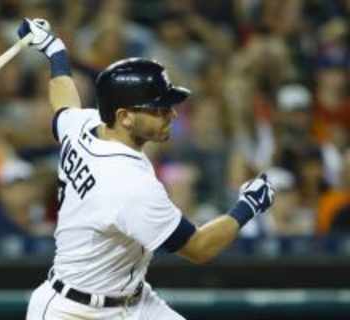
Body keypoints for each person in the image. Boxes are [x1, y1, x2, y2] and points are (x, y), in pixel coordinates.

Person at [17, 18, 275, 320]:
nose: (172, 114)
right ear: (125, 117)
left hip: (133, 300)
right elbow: (200, 248)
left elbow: (63, 102)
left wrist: (55, 50)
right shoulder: (128, 185)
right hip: (75, 312)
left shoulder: (85, 125)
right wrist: (249, 205)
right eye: (159, 109)